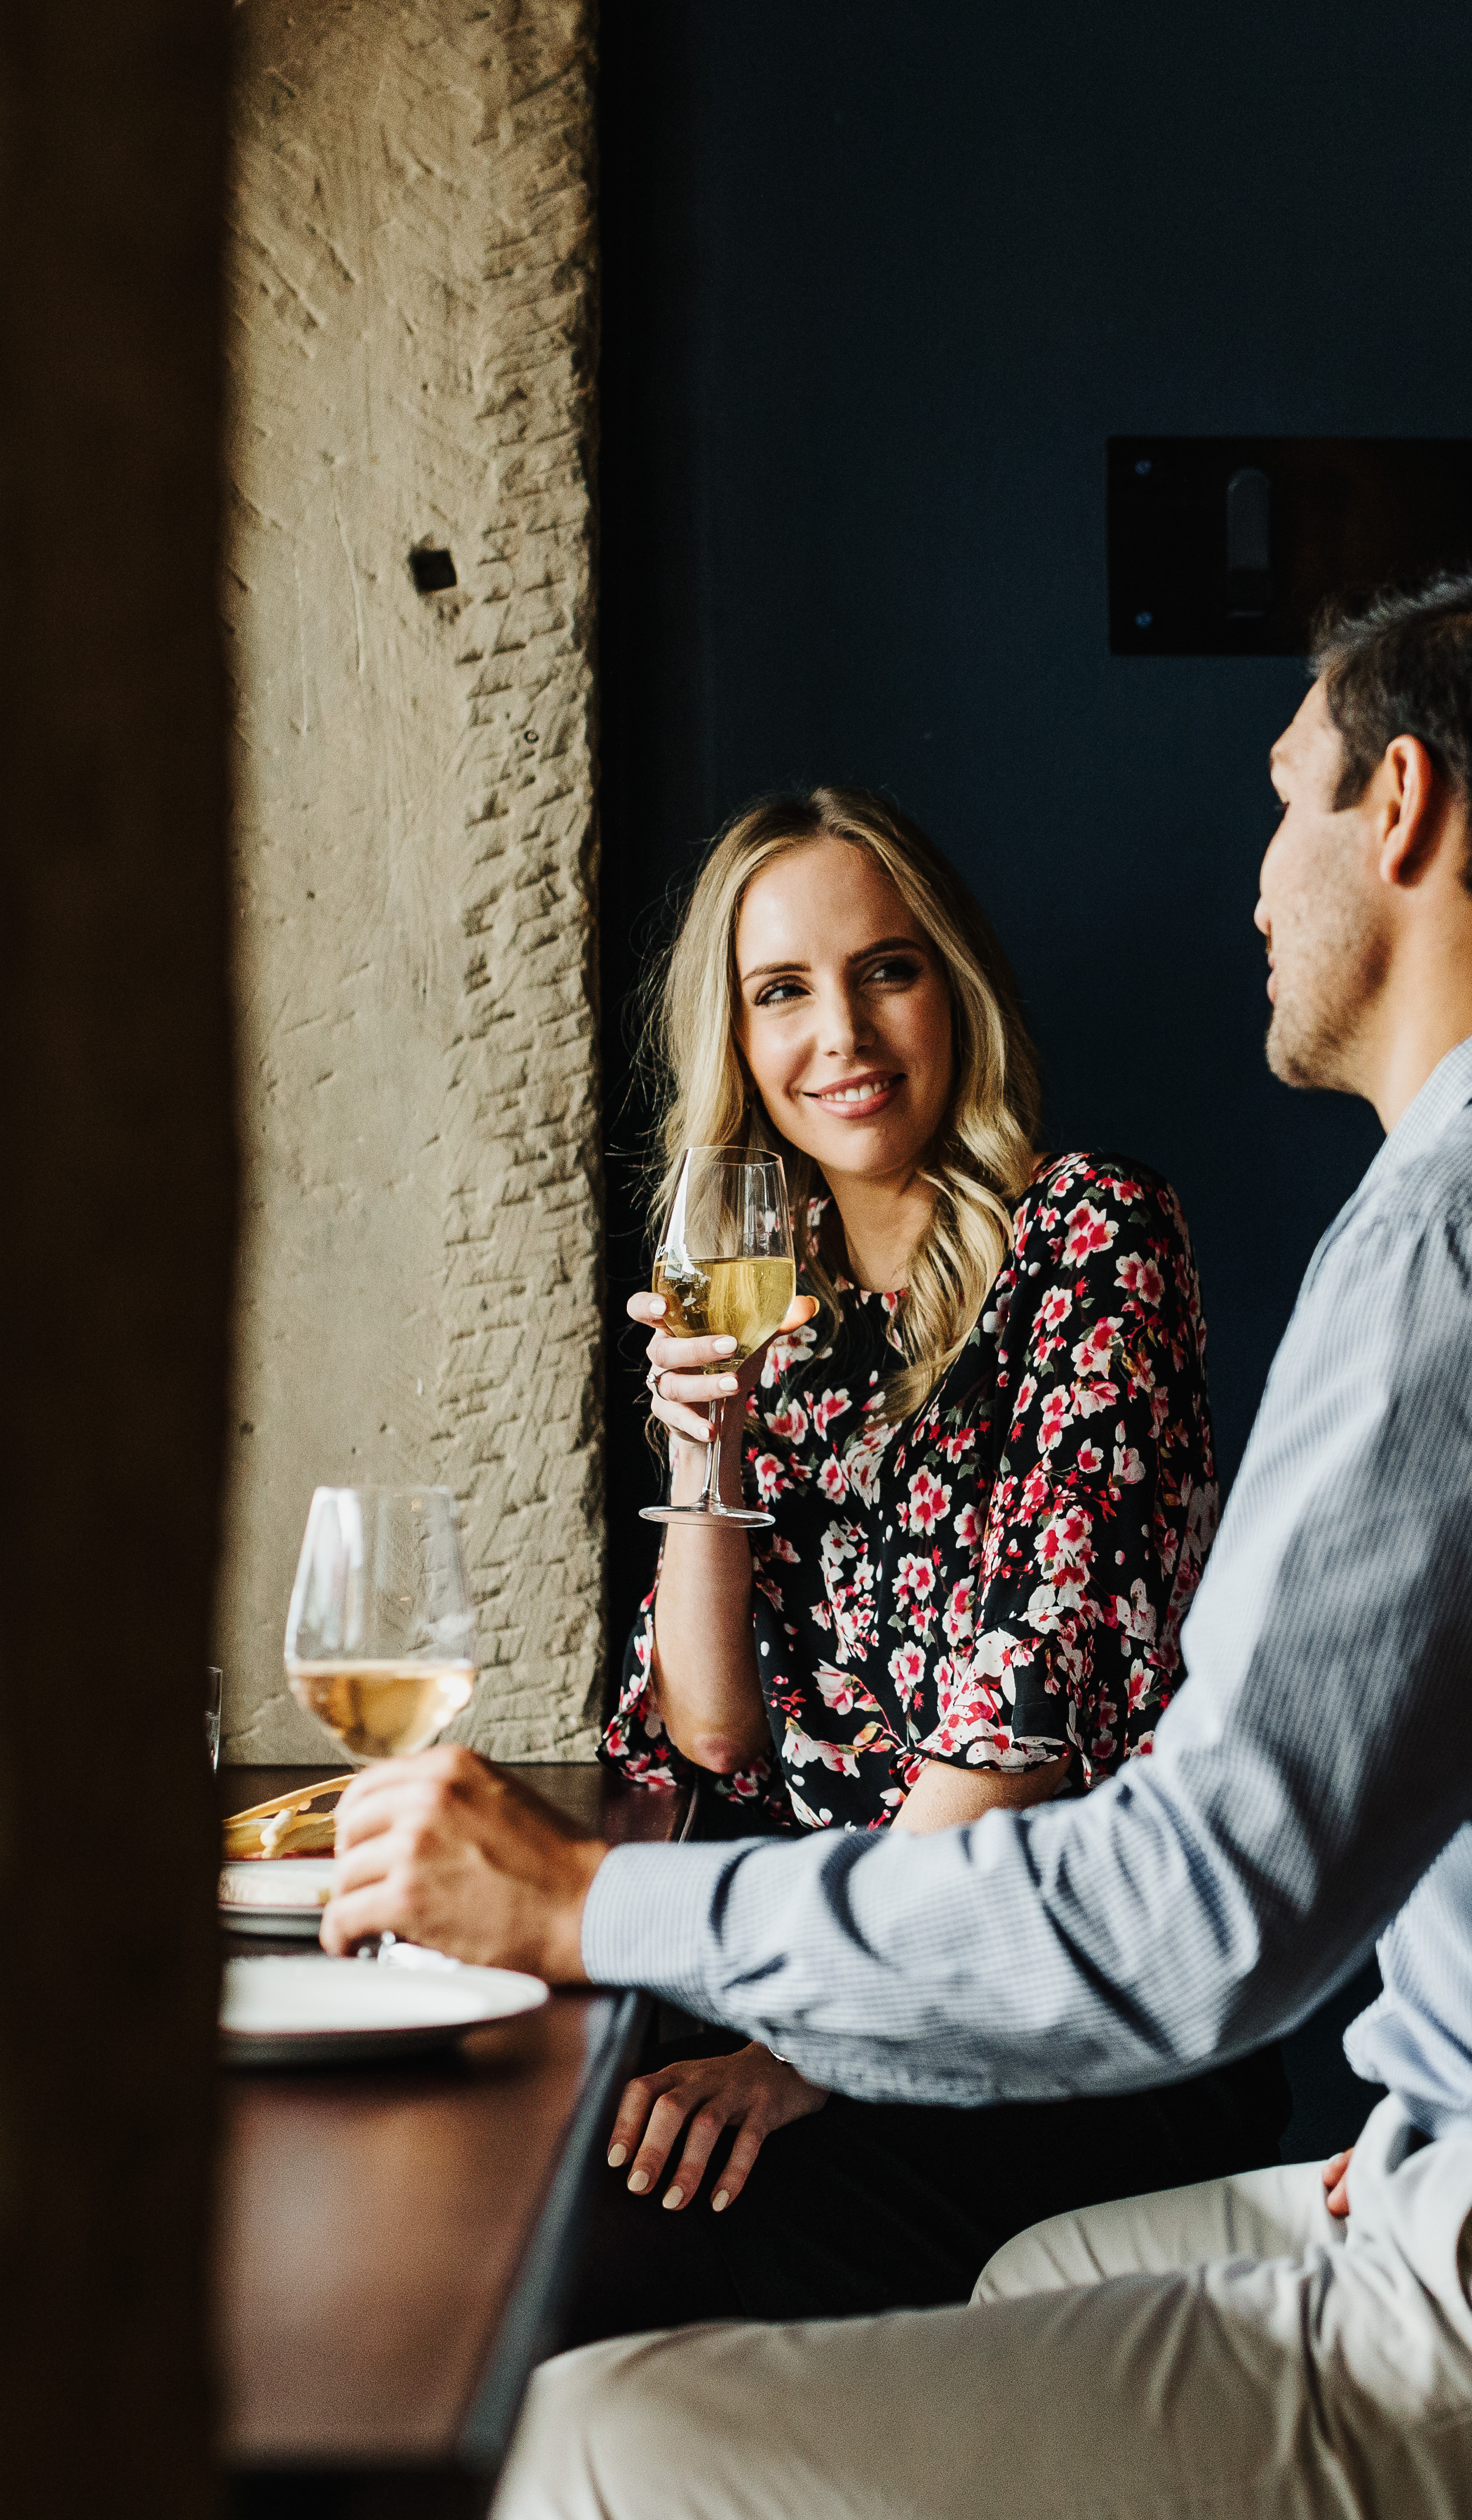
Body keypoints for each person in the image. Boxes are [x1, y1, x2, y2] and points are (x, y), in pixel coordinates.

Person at [324, 547, 1472, 2518]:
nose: (1255, 880)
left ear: (1399, 809)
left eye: (1280, 801)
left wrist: (582, 1911)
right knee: (1038, 2275)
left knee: (593, 2437)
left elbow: (1196, 1917)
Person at [569, 787, 1283, 2332]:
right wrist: (709, 1459)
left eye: (885, 969)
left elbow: (1019, 1724)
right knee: (545, 2169)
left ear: (951, 991)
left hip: (1069, 1991)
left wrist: (816, 2046)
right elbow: (705, 1735)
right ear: (739, 1042)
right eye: (783, 991)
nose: (843, 1031)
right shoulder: (767, 1300)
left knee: (737, 2231)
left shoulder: (1093, 1244)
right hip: (829, 1967)